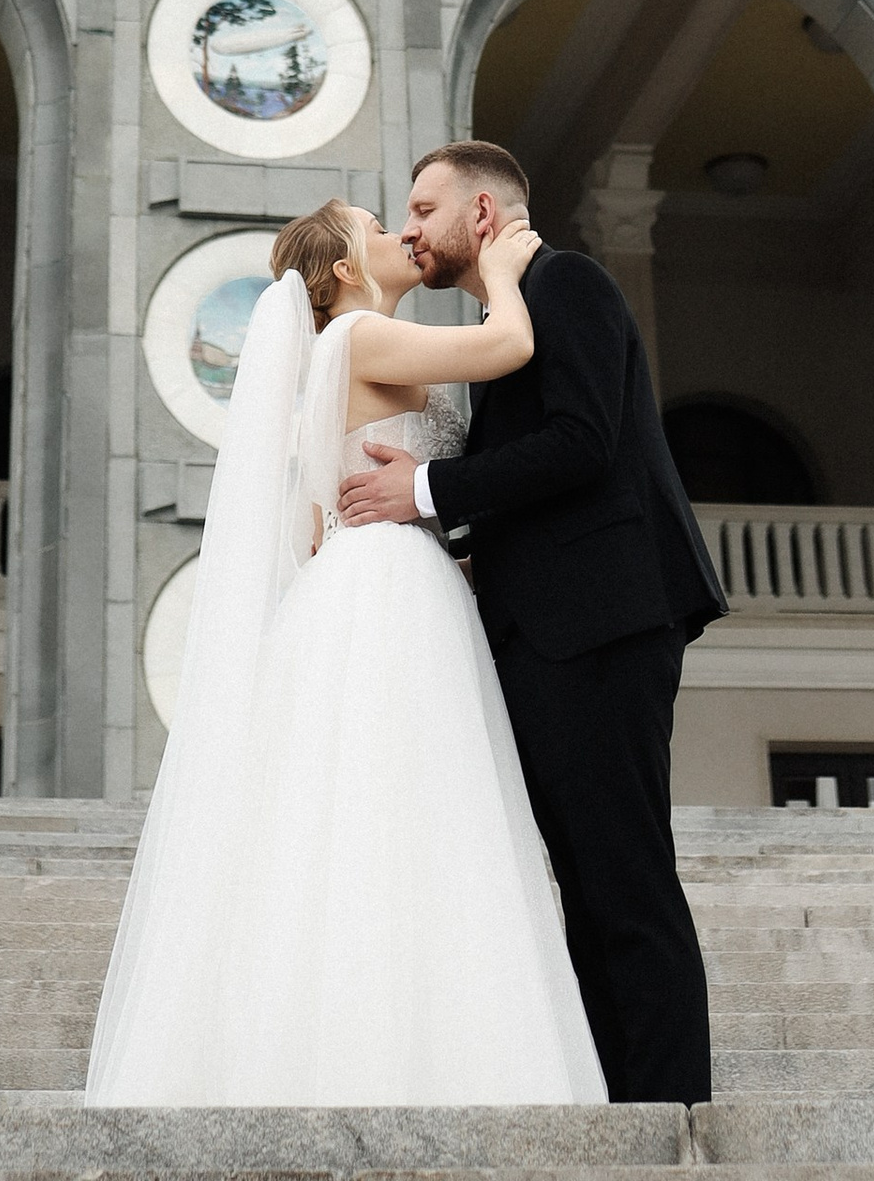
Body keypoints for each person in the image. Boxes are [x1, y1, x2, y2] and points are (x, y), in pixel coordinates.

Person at [82, 195, 605, 1107]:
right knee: (395, 802)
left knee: (417, 802)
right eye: (375, 223)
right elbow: (507, 349)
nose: (400, 230)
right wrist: (506, 276)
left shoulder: (366, 346)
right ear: (341, 271)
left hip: (411, 578)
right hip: (386, 590)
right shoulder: (358, 338)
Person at [336, 140, 725, 1107]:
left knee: (624, 879)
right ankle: (620, 1104)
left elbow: (583, 444)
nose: (411, 227)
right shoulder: (499, 320)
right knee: (586, 886)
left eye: (423, 209)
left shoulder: (568, 285)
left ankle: (673, 1116)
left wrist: (423, 489)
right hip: (551, 632)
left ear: (481, 214)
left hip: (601, 619)